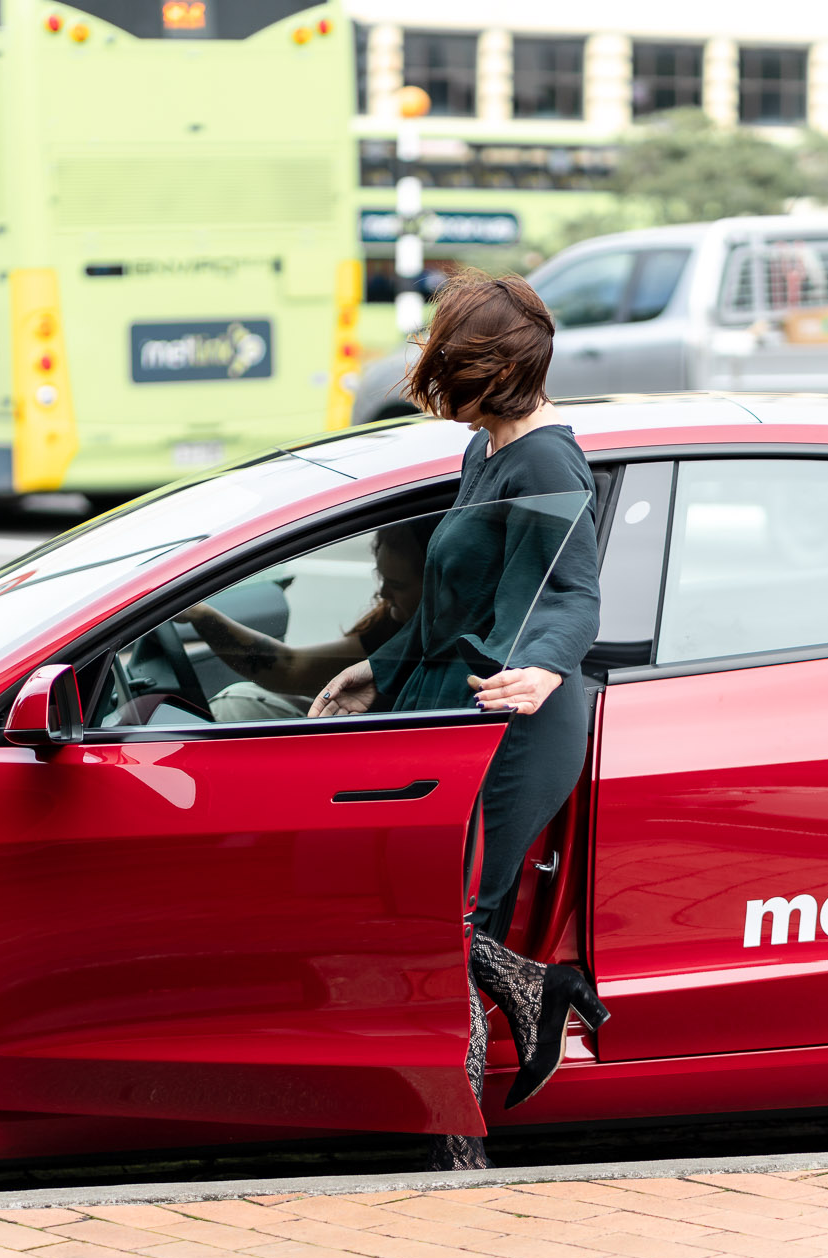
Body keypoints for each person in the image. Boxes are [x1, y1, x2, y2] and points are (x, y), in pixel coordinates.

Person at [309, 270, 608, 1171]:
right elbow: (453, 605)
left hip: (518, 717)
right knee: (437, 915)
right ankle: (539, 993)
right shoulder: (486, 451)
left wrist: (546, 666)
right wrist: (376, 667)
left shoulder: (548, 460)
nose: (447, 389)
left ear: (499, 369)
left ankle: (455, 1145)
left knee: (447, 921)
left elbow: (575, 591)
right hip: (456, 703)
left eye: (460, 369)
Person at [180, 519, 430, 722]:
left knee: (236, 707)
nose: (384, 594)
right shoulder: (393, 627)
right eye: (381, 579)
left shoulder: (432, 637)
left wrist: (203, 616)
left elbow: (290, 669)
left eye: (397, 585)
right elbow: (290, 667)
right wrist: (201, 615)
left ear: (436, 583)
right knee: (239, 700)